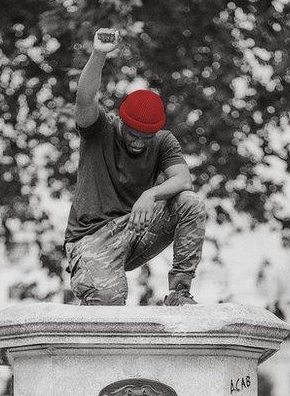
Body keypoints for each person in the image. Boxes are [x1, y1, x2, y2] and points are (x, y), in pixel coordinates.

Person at [64, 27, 207, 307]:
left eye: (146, 138)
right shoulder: (99, 130)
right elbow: (84, 100)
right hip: (92, 238)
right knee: (108, 301)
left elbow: (183, 179)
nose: (139, 143)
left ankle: (179, 292)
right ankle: (94, 286)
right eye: (133, 135)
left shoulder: (164, 142)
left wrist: (150, 194)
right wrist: (98, 55)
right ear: (121, 122)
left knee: (190, 203)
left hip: (135, 228)